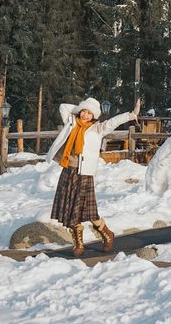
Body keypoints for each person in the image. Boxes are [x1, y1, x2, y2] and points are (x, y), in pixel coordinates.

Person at [46, 97, 140, 256]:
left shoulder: (98, 129)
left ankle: (106, 232)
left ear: (94, 116)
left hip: (85, 174)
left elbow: (113, 122)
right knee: (70, 209)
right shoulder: (72, 122)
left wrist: (130, 115)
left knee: (88, 211)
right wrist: (80, 108)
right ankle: (79, 243)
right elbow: (63, 106)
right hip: (68, 170)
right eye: (84, 111)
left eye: (90, 113)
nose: (85, 115)